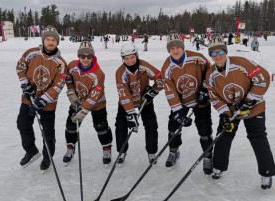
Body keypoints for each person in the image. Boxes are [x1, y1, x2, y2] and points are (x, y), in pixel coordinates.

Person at [206, 34, 275, 189]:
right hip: (232, 110)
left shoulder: (241, 63)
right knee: (223, 135)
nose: (218, 56)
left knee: (257, 137)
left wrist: (249, 100)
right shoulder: (210, 74)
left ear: (225, 51)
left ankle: (267, 173)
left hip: (254, 106)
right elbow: (214, 97)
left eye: (220, 52)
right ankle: (218, 166)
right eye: (213, 53)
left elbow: (262, 78)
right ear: (210, 55)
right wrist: (224, 114)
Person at [16, 25, 67, 170]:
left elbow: (58, 85)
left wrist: (44, 99)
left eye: (53, 40)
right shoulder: (31, 53)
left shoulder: (60, 63)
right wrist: (25, 85)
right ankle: (31, 151)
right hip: (29, 97)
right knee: (22, 124)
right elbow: (20, 68)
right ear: (44, 40)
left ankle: (47, 157)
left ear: (57, 43)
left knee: (48, 132)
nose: (50, 42)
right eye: (48, 39)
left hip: (48, 103)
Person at [161, 32, 213, 172]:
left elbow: (210, 73)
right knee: (173, 126)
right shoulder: (167, 67)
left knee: (204, 129)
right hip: (181, 102)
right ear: (169, 50)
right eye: (172, 48)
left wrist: (205, 89)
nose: (175, 50)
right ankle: (174, 151)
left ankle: (208, 156)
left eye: (178, 47)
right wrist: (177, 111)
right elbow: (170, 91)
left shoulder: (197, 58)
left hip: (200, 100)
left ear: (182, 47)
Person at [64, 39, 113, 166]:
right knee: (71, 125)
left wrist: (84, 110)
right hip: (77, 101)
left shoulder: (98, 73)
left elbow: (95, 94)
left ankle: (107, 148)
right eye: (83, 56)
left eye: (89, 56)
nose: (86, 59)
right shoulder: (72, 66)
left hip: (97, 104)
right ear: (79, 56)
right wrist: (70, 92)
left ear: (93, 57)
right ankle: (70, 147)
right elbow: (68, 78)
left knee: (100, 127)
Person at [115, 42, 163, 165]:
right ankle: (122, 151)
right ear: (123, 59)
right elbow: (124, 94)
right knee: (121, 127)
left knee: (151, 126)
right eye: (126, 58)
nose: (130, 61)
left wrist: (154, 90)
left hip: (145, 102)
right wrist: (131, 114)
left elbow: (160, 77)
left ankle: (152, 152)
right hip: (125, 105)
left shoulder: (144, 67)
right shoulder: (120, 73)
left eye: (132, 57)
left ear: (136, 56)